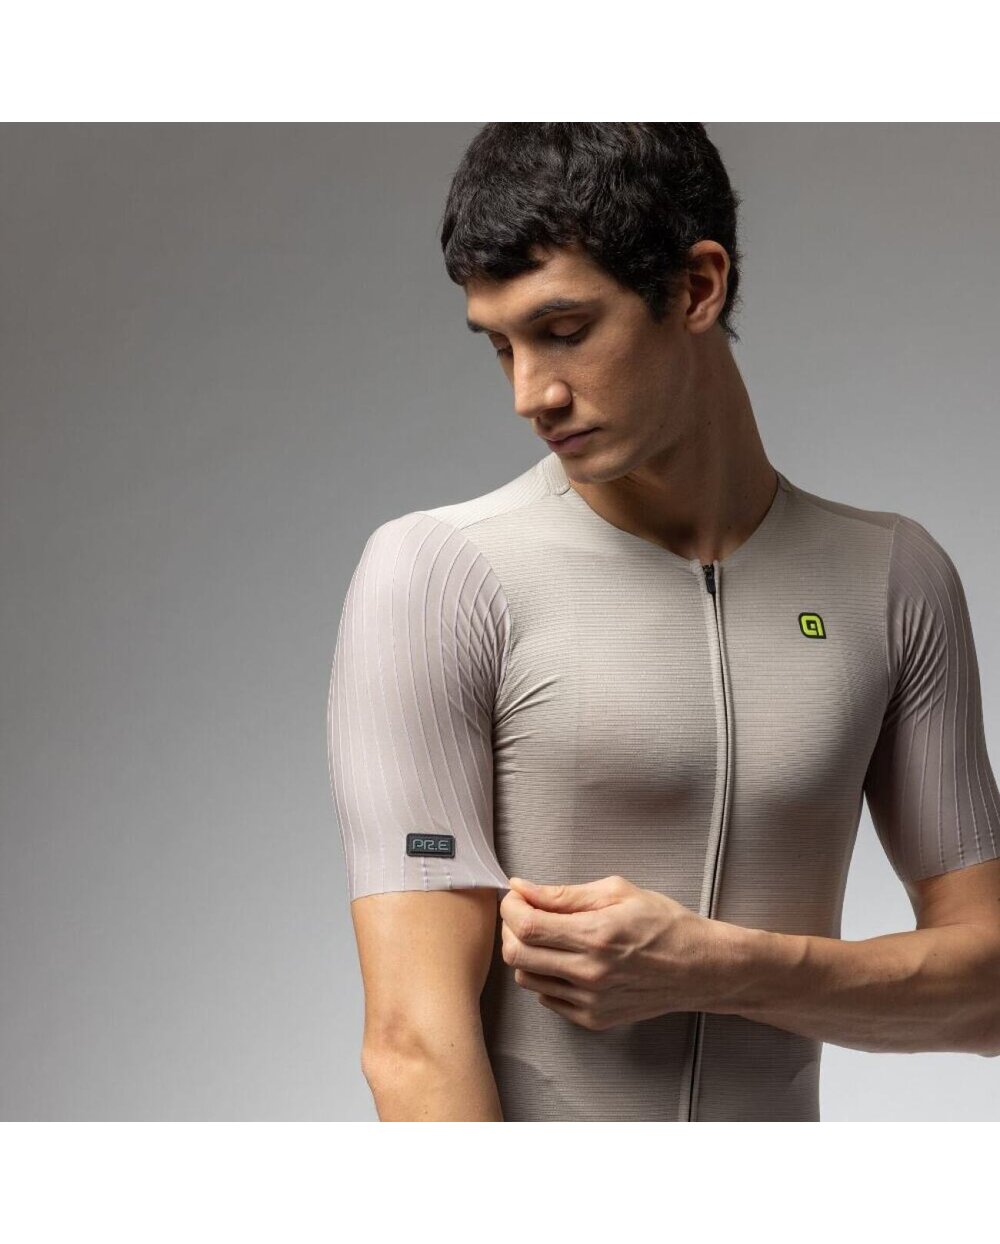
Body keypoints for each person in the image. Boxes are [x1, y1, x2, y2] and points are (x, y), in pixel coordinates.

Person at [326, 123, 1000, 1121]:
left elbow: (986, 992)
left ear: (696, 287)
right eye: (501, 345)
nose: (530, 393)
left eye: (564, 329)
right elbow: (413, 1042)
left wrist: (716, 966)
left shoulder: (894, 579)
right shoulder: (438, 577)